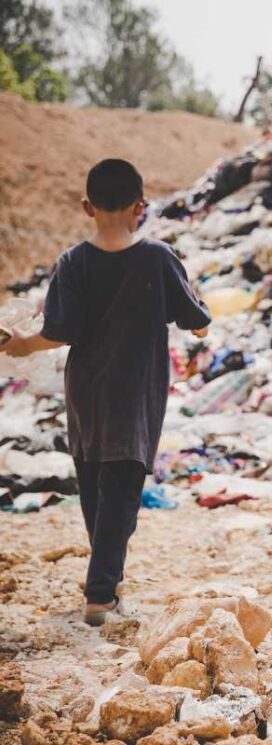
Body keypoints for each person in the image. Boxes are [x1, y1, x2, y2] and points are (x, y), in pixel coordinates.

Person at [0, 159, 211, 626]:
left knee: (95, 484)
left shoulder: (72, 262)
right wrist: (197, 328)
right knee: (122, 489)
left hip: (86, 393)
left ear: (86, 207)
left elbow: (58, 332)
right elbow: (195, 317)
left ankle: (107, 579)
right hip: (135, 395)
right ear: (142, 206)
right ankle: (99, 595)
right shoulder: (159, 257)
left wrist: (19, 346)